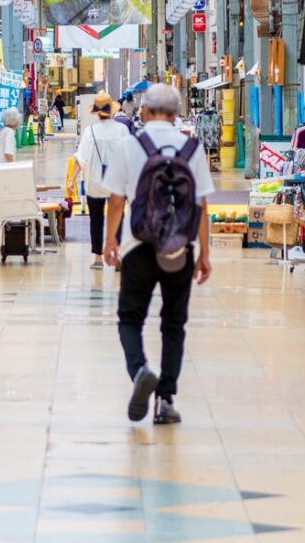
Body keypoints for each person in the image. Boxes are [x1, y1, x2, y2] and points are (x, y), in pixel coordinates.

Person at [102, 83, 213, 425]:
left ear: (145, 111)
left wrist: (110, 241)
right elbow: (202, 206)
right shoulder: (193, 149)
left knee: (131, 318)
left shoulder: (129, 146)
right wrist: (204, 254)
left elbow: (116, 200)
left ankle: (139, 371)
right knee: (174, 322)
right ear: (177, 113)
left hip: (138, 245)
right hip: (179, 247)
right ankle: (165, 400)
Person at [73, 92, 130, 271]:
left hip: (95, 183)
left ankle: (97, 258)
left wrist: (71, 180)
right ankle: (118, 253)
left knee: (96, 219)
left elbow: (80, 158)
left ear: (96, 112)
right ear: (112, 111)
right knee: (119, 218)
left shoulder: (90, 132)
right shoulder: (122, 130)